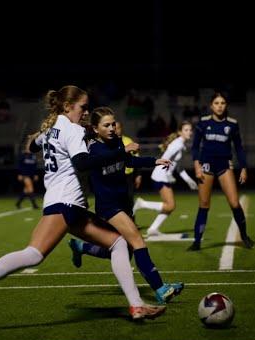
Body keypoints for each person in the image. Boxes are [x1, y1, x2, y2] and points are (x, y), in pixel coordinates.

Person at [0, 85, 166, 324]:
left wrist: (46, 136)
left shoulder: (54, 128)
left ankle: (136, 305)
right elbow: (84, 163)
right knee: (33, 255)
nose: (86, 112)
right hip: (64, 202)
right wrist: (122, 152)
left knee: (118, 244)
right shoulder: (72, 130)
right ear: (67, 106)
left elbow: (31, 146)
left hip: (70, 205)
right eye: (83, 107)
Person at [68, 107, 184, 305]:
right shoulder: (93, 147)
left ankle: (82, 247)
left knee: (125, 249)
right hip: (109, 206)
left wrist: (154, 161)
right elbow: (103, 159)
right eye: (106, 125)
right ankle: (160, 288)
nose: (112, 128)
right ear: (95, 129)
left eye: (113, 124)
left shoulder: (116, 143)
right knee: (138, 241)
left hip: (124, 203)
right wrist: (122, 150)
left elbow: (129, 160)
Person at [188, 92, 253, 251]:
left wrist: (243, 168)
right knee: (204, 204)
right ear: (211, 105)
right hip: (206, 166)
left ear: (226, 105)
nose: (219, 106)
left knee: (234, 203)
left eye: (223, 103)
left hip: (224, 165)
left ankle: (244, 236)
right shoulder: (203, 123)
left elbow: (238, 148)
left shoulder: (232, 124)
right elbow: (195, 147)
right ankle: (197, 241)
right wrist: (197, 166)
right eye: (216, 103)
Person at [132, 121, 198, 236]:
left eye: (190, 130)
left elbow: (179, 168)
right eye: (186, 130)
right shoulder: (177, 144)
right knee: (170, 205)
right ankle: (142, 204)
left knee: (170, 206)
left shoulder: (181, 145)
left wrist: (189, 180)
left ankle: (153, 229)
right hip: (160, 176)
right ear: (179, 132)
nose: (189, 132)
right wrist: (168, 175)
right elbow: (165, 158)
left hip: (163, 177)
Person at [115, 121, 142, 218]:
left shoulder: (128, 141)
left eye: (118, 128)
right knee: (116, 200)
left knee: (129, 199)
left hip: (128, 176)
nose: (116, 130)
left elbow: (136, 158)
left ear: (121, 129)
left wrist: (138, 175)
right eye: (115, 127)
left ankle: (132, 221)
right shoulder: (108, 142)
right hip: (115, 175)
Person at [16, 137, 39, 209]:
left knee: (26, 190)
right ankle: (34, 204)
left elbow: (35, 166)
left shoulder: (33, 156)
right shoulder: (23, 155)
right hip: (24, 175)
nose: (29, 148)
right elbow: (19, 165)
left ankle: (18, 203)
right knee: (30, 188)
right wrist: (19, 174)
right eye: (28, 146)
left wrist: (35, 174)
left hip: (31, 175)